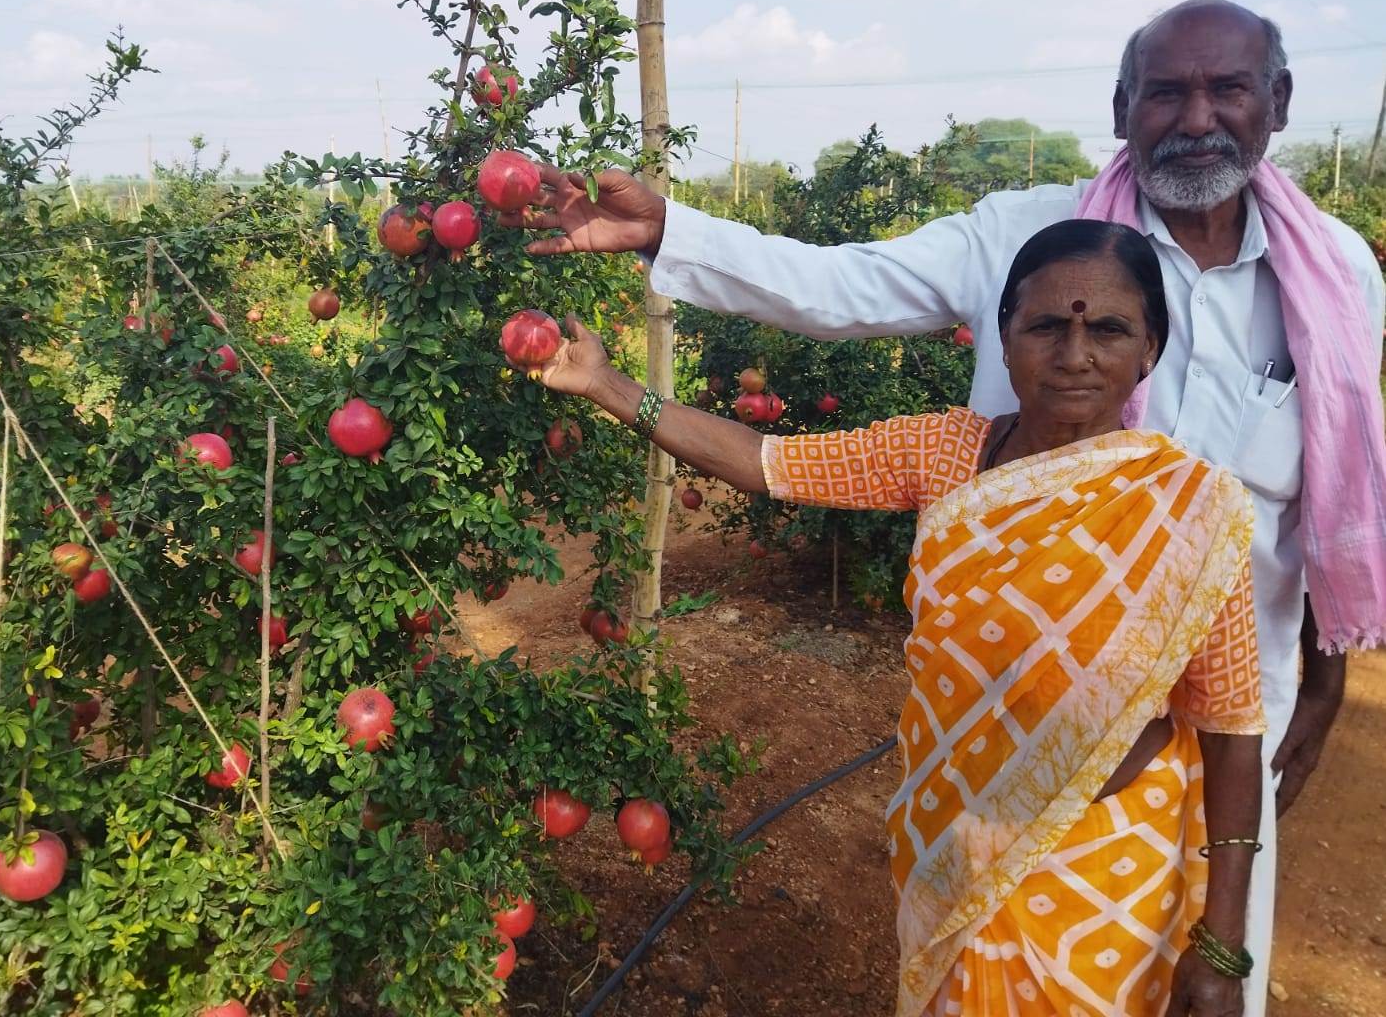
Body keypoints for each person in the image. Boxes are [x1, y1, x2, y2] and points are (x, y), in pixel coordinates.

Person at [503, 0, 1386, 1013]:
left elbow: (1337, 481)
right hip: (993, 738)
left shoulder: (1338, 274)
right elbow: (836, 289)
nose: (1196, 116)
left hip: (1238, 707)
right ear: (1120, 106)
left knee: (1203, 975)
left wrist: (1324, 683)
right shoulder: (1024, 241)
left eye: (1226, 88)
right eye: (1164, 91)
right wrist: (673, 237)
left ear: (1274, 101)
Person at [536, 219, 1265, 1016]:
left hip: (1111, 873)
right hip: (955, 841)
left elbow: (1231, 728)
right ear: (1005, 336)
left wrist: (1222, 943)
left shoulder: (1189, 508)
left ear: (1150, 350)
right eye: (1048, 326)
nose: (1075, 354)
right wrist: (608, 386)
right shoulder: (947, 454)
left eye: (1110, 329)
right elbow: (765, 463)